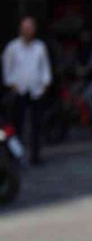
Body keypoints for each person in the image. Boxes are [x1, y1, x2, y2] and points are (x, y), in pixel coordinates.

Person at [2, 17, 52, 165]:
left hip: (36, 91)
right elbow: (6, 68)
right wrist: (11, 84)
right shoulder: (12, 47)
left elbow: (45, 67)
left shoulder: (39, 47)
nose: (27, 31)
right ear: (20, 29)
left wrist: (45, 84)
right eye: (25, 28)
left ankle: (35, 156)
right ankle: (16, 156)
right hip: (19, 91)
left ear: (34, 30)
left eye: (30, 28)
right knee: (17, 126)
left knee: (37, 125)